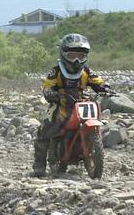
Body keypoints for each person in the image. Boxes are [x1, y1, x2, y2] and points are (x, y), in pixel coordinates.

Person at [31, 33, 111, 177]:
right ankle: (39, 165)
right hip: (61, 104)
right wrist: (49, 92)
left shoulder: (86, 70)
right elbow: (48, 84)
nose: (76, 60)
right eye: (72, 55)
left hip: (81, 104)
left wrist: (105, 89)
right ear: (63, 54)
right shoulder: (57, 70)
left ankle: (89, 151)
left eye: (81, 56)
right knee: (45, 130)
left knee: (96, 124)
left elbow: (97, 81)